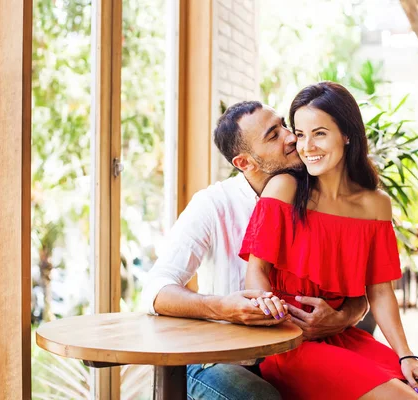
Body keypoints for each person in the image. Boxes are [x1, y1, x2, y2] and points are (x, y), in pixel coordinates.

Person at [141, 100, 369, 400]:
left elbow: (360, 296)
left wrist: (341, 319)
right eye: (273, 135)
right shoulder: (213, 204)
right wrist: (222, 307)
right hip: (218, 360)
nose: (291, 137)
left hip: (295, 353)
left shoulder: (316, 194)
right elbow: (155, 290)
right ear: (245, 163)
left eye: (284, 126)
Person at [241, 81, 418, 400]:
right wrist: (265, 307)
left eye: (320, 133)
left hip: (341, 337)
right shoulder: (284, 187)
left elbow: (380, 292)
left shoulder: (375, 205)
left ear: (347, 135)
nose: (307, 146)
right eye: (300, 133)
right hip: (289, 344)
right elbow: (257, 271)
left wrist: (407, 355)